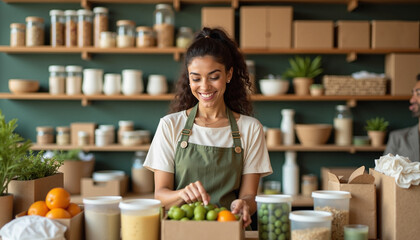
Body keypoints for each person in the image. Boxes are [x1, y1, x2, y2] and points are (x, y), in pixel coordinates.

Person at [144, 27, 272, 227]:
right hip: (180, 230)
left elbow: (249, 195)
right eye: (196, 78)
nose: (204, 87)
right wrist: (182, 194)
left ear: (229, 74)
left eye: (214, 77)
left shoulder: (250, 128)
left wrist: (245, 204)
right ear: (189, 78)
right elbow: (160, 195)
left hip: (228, 227)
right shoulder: (170, 125)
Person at [384, 74, 420, 162]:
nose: (412, 100)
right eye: (413, 94)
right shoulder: (397, 138)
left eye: (418, 94)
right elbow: (381, 174)